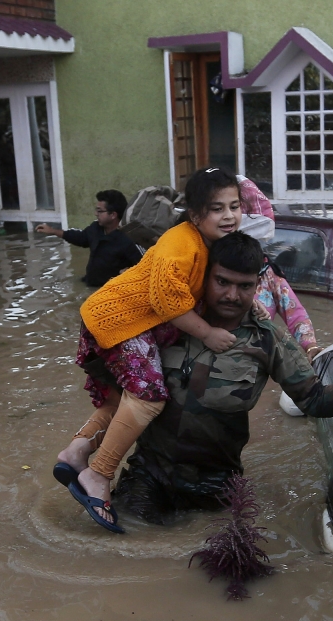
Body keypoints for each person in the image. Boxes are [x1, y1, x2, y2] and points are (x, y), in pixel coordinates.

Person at [113, 231, 333, 522]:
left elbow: (313, 400)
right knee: (130, 537)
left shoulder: (269, 341)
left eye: (244, 286)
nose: (232, 295)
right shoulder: (170, 321)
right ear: (206, 275)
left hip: (216, 484)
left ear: (258, 285)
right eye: (222, 282)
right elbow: (112, 370)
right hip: (149, 473)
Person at [54, 166, 247, 533]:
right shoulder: (181, 244)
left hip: (114, 318)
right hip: (120, 320)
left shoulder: (204, 244)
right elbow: (167, 301)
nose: (229, 216)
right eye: (217, 209)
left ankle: (75, 453)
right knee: (148, 398)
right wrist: (206, 333)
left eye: (234, 206)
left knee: (120, 402)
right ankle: (98, 475)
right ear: (195, 214)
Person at [36, 190, 144, 286]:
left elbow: (144, 266)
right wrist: (53, 231)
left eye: (100, 211)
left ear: (113, 215)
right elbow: (81, 238)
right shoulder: (96, 228)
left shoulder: (129, 238)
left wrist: (129, 272)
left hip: (110, 291)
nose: (95, 214)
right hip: (90, 284)